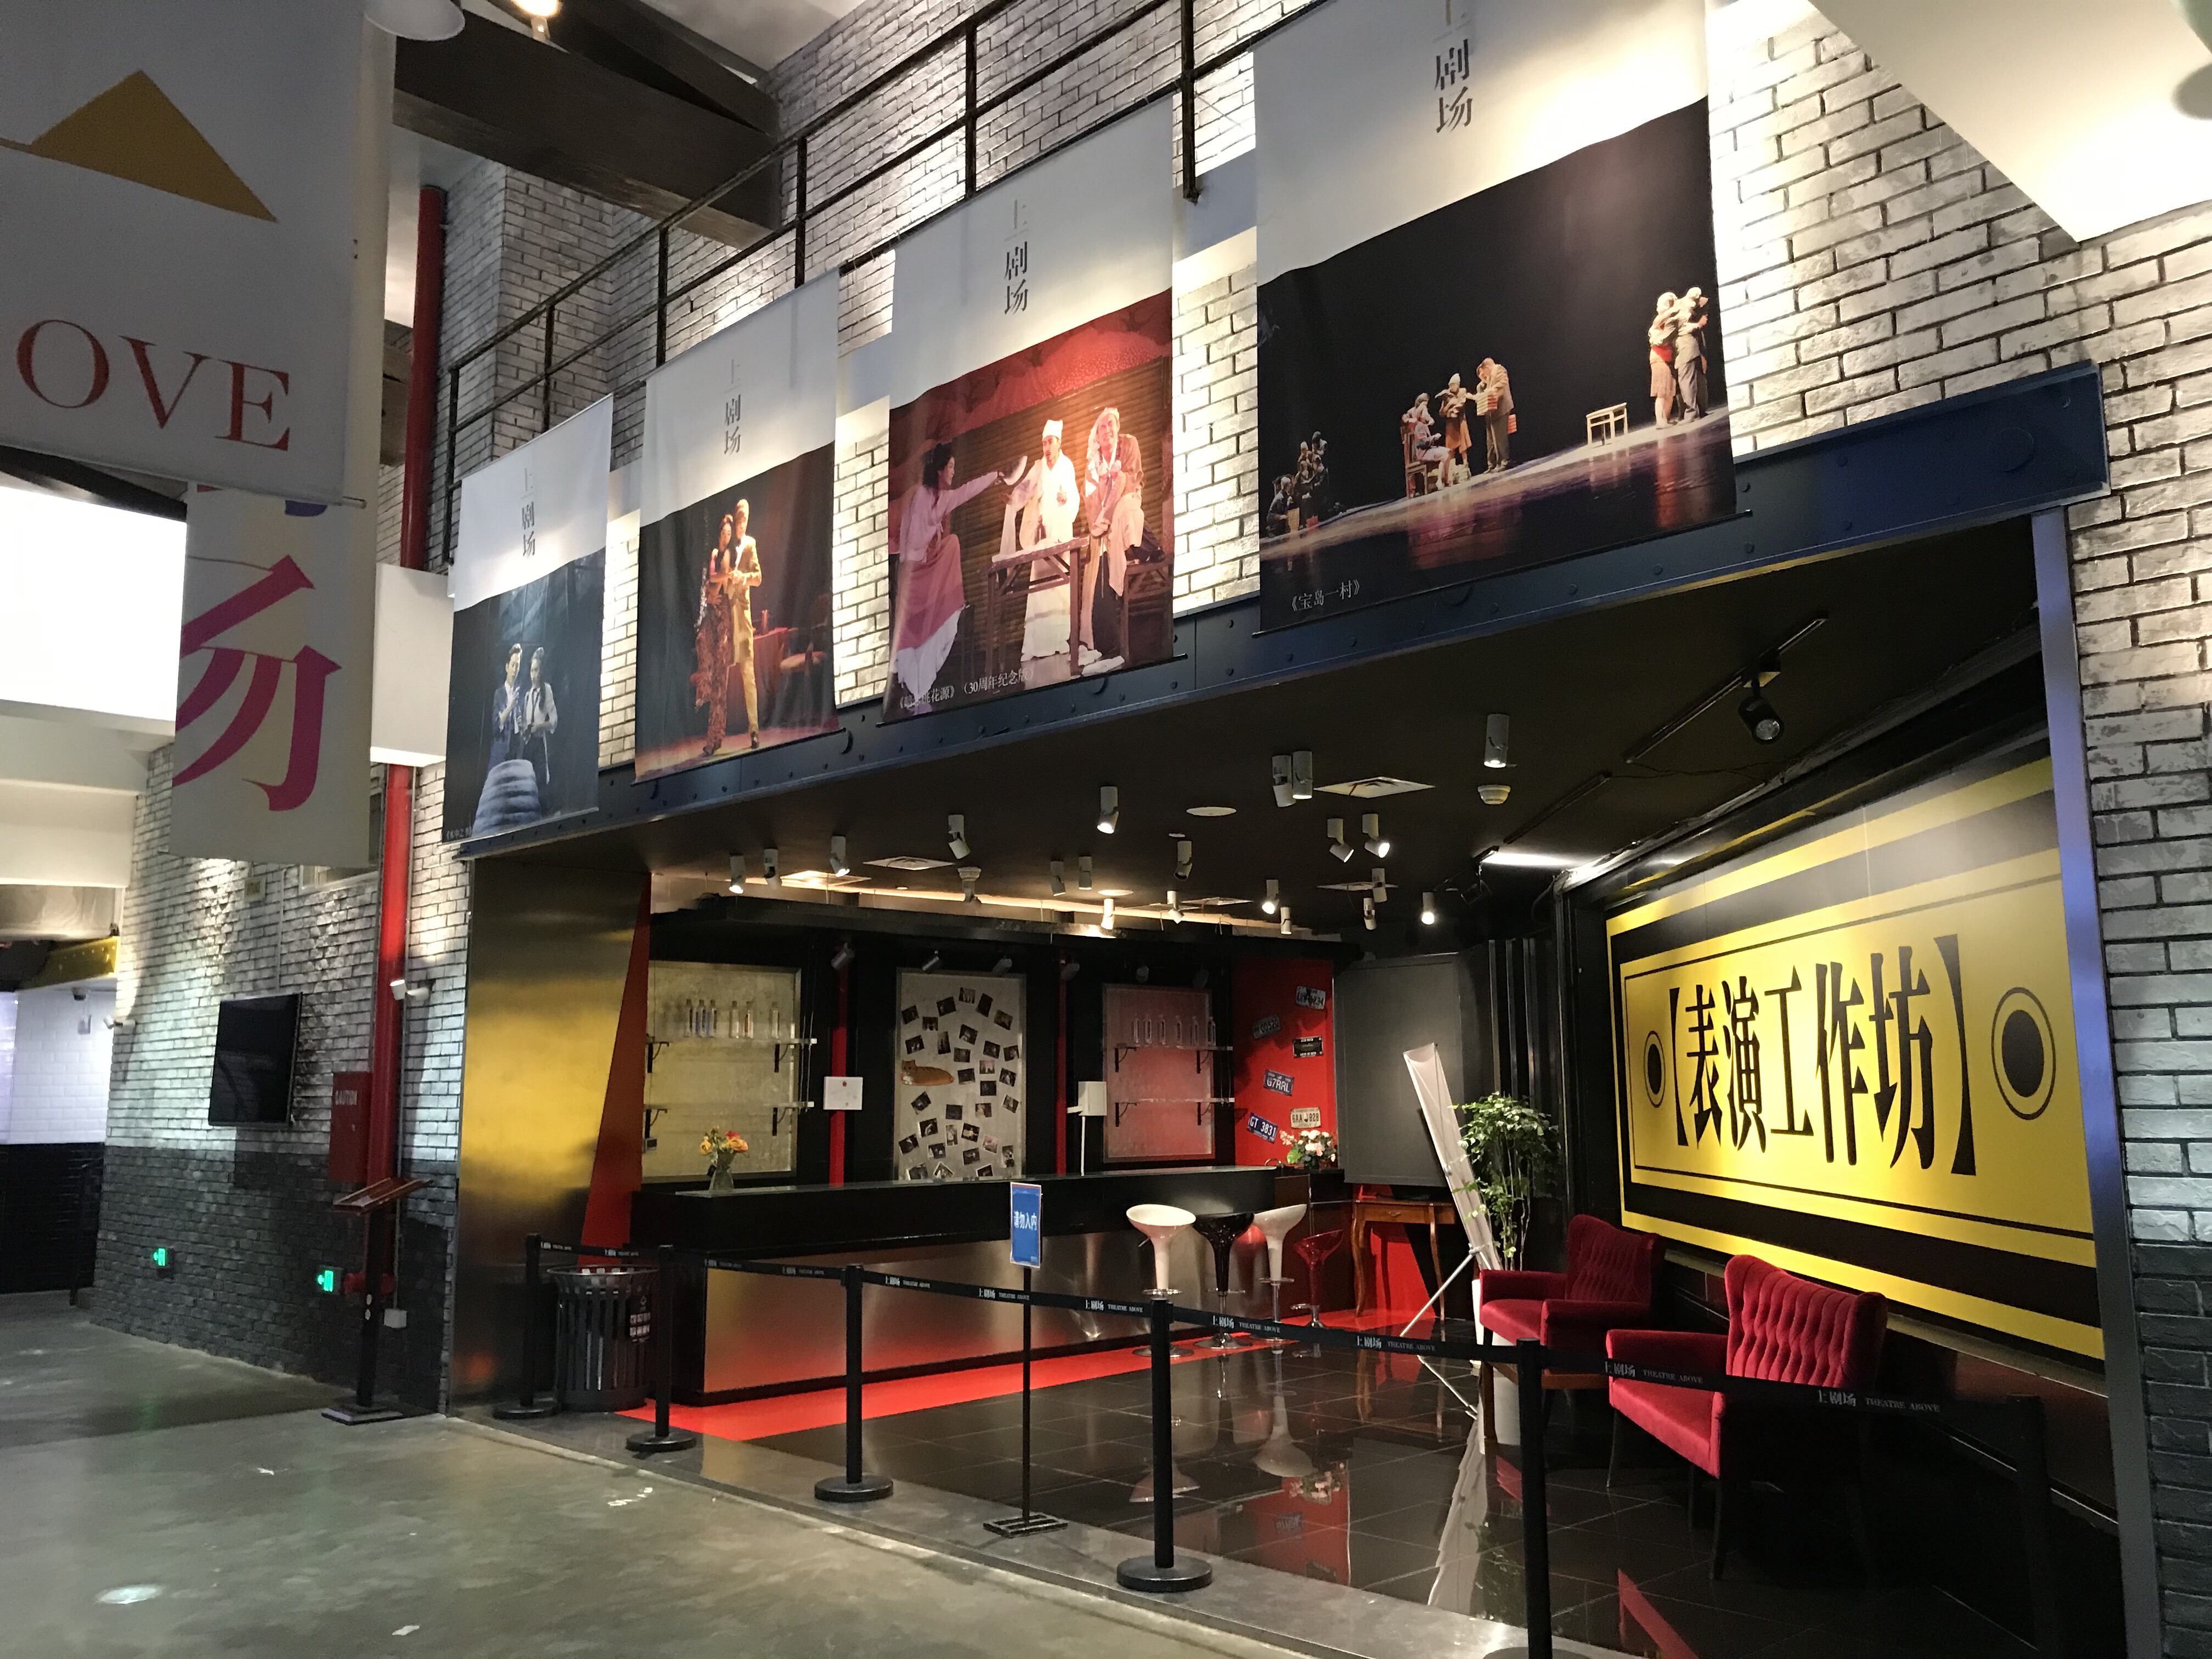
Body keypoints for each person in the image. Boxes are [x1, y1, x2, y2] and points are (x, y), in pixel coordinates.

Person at [889, 442, 1022, 710]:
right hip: (915, 575)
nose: (953, 472)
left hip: (919, 574)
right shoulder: (924, 497)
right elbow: (912, 540)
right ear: (939, 470)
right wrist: (922, 556)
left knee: (936, 630)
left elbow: (966, 491)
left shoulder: (936, 497)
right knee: (915, 635)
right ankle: (915, 691)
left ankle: (918, 692)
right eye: (950, 467)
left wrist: (996, 475)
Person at [1008, 418, 1080, 664]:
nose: (1047, 448)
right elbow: (1025, 488)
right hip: (1042, 536)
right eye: (1044, 443)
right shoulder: (1039, 468)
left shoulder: (1067, 466)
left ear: (1059, 443)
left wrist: (1065, 497)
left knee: (1059, 588)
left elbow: (1074, 499)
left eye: (1051, 442)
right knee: (1039, 588)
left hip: (1060, 533)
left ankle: (1060, 641)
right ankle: (1036, 644)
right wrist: (1013, 500)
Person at [1081, 405, 1144, 671]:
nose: (1107, 431)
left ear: (1118, 426)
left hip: (1127, 515)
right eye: (1102, 427)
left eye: (1111, 424)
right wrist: (1103, 486)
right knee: (1098, 579)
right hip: (1104, 531)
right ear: (1096, 436)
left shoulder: (1129, 444)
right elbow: (1090, 503)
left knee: (1124, 512)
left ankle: (1112, 650)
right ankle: (1102, 648)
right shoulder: (1092, 466)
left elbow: (1133, 479)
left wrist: (1116, 483)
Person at [469, 642, 543, 833]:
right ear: (507, 667)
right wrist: (510, 708)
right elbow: (496, 725)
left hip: (516, 756)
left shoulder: (520, 693)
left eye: (518, 665)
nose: (516, 669)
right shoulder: (499, 694)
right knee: (493, 807)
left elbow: (520, 725)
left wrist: (523, 725)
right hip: (499, 756)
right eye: (513, 665)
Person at [692, 518, 735, 755]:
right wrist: (708, 593)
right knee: (703, 644)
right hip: (712, 613)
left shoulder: (727, 554)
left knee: (721, 678)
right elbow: (707, 581)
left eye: (730, 533)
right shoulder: (714, 554)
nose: (727, 536)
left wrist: (712, 589)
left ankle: (715, 737)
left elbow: (723, 576)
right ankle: (703, 690)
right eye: (724, 532)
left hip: (722, 614)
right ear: (719, 533)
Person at [723, 498, 764, 749]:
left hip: (743, 618)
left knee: (748, 675)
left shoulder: (751, 544)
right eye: (739, 520)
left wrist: (743, 577)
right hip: (726, 619)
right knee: (722, 676)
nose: (741, 525)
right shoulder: (726, 544)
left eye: (745, 521)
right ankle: (716, 734)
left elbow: (758, 578)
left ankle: (754, 730)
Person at [519, 645, 558, 798]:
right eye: (532, 671)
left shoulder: (546, 690)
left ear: (541, 672)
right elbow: (525, 722)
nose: (533, 675)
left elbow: (554, 720)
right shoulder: (528, 696)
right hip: (528, 745)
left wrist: (540, 726)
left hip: (540, 744)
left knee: (540, 782)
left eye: (536, 671)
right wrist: (524, 728)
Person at [1673, 286, 1709, 421]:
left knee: (1688, 380)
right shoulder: (1683, 307)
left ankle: (1692, 412)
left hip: (1687, 347)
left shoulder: (1685, 308)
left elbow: (1683, 328)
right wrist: (1698, 324)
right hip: (1688, 346)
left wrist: (1698, 324)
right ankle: (1696, 410)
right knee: (1690, 380)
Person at [1477, 358, 1513, 473]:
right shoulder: (1491, 376)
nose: (1485, 375)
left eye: (1484, 372)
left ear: (1487, 368)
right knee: (1496, 438)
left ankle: (1505, 461)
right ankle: (1499, 462)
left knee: (1501, 437)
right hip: (1495, 411)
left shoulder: (1499, 369)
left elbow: (1504, 381)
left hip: (1502, 408)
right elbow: (1489, 389)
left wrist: (1493, 388)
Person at [1438, 373, 1474, 484]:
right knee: (1451, 446)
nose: (1451, 388)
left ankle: (1466, 465)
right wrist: (1448, 407)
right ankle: (1452, 470)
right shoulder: (1447, 395)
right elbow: (1441, 413)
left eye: (1453, 385)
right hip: (1451, 424)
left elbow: (1461, 404)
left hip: (1460, 421)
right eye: (1450, 386)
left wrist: (1452, 409)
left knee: (1463, 444)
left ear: (1457, 385)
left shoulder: (1463, 391)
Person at [1649, 292, 1678, 427]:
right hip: (1659, 357)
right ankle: (1660, 421)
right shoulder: (1659, 320)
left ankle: (1666, 418)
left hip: (1667, 357)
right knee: (1661, 391)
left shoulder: (1669, 319)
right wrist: (1673, 305)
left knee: (1669, 391)